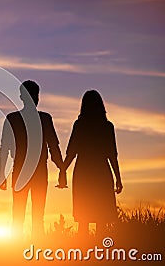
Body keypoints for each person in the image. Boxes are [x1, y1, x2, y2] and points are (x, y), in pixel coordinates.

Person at [0, 80, 63, 239]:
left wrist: (1, 174)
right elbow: (53, 147)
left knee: (20, 214)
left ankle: (20, 250)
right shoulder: (44, 119)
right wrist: (62, 169)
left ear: (22, 97)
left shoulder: (13, 119)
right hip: (37, 171)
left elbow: (4, 149)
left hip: (22, 170)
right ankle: (34, 249)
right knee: (36, 215)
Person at [59, 90, 123, 236]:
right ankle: (99, 250)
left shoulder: (80, 125)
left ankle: (84, 250)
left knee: (84, 217)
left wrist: (63, 171)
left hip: (83, 172)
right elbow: (112, 155)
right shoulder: (107, 126)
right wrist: (118, 178)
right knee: (101, 216)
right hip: (101, 172)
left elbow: (71, 152)